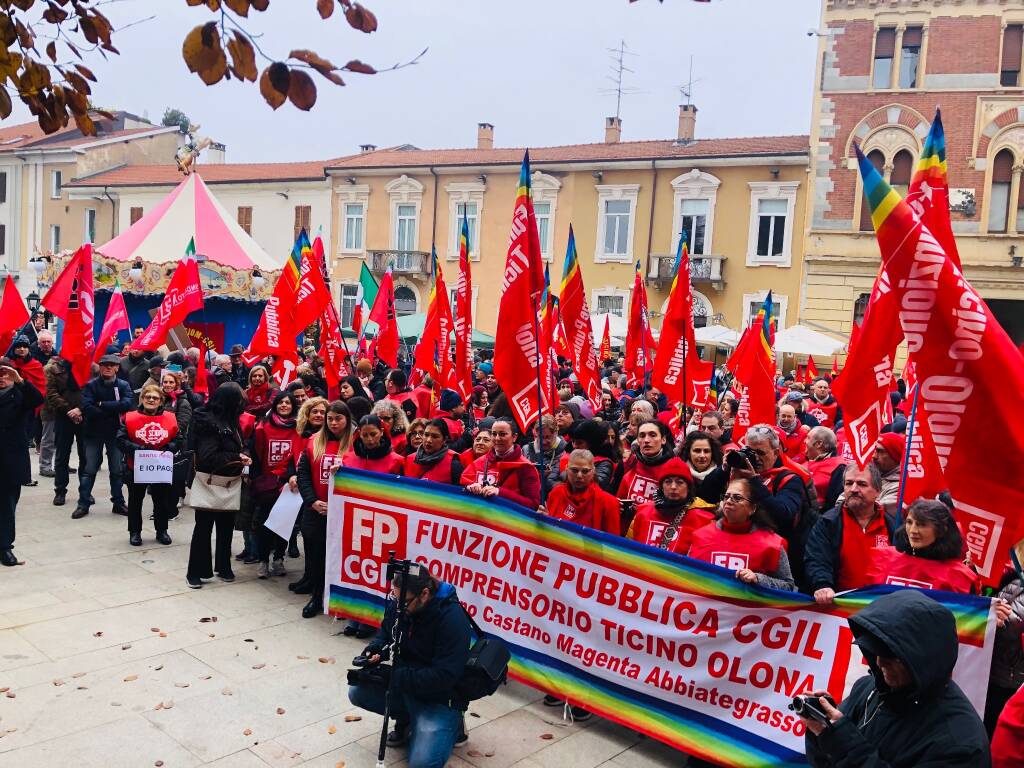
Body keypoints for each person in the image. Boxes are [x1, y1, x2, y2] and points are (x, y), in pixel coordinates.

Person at [802, 590, 990, 767]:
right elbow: (823, 762)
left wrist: (844, 745)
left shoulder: (960, 744)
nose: (879, 662)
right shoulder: (869, 689)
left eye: (891, 655)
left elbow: (845, 749)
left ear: (922, 659)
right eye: (875, 650)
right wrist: (821, 732)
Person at [348, 564, 471, 767]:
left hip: (439, 697)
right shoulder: (401, 602)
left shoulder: (452, 619)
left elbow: (446, 676)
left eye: (403, 602)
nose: (398, 607)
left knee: (422, 763)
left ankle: (454, 724)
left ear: (424, 594)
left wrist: (396, 678)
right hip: (407, 684)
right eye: (394, 599)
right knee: (357, 691)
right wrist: (374, 651)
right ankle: (407, 719)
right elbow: (386, 634)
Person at [730, 424, 815, 587]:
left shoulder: (789, 479)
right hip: (738, 548)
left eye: (761, 453)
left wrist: (755, 481)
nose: (755, 458)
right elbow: (706, 494)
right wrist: (724, 469)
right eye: (750, 452)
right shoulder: (738, 472)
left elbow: (783, 514)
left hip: (773, 556)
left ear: (776, 453)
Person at [186, 382, 250, 589]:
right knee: (203, 528)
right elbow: (207, 456)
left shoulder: (230, 419)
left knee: (225, 527)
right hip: (209, 482)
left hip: (229, 482)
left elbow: (242, 443)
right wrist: (237, 457)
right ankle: (195, 572)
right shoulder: (207, 422)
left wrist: (245, 453)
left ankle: (223, 566)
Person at [805, 464, 896, 604]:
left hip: (881, 607)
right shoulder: (828, 523)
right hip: (840, 607)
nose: (853, 489)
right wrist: (823, 585)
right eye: (849, 483)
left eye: (861, 484)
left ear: (878, 490)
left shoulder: (893, 527)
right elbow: (817, 558)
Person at [687, 477, 797, 591]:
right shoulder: (700, 536)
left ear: (752, 508)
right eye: (726, 496)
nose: (729, 501)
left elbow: (788, 586)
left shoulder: (773, 545)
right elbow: (684, 574)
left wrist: (758, 579)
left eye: (737, 498)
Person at [297, 400, 353, 618]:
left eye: (338, 418)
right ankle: (316, 597)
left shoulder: (354, 444)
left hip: (341, 514)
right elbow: (303, 475)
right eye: (330, 418)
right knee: (315, 557)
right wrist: (312, 501)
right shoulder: (313, 442)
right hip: (316, 511)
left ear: (347, 420)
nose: (333, 423)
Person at [866, 499, 980, 593]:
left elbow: (968, 616)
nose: (913, 530)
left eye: (922, 524)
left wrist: (992, 612)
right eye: (909, 522)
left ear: (942, 529)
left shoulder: (959, 576)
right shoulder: (884, 559)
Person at [116, 383, 181, 546]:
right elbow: (120, 439)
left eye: (155, 398)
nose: (151, 400)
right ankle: (135, 532)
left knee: (161, 501)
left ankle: (162, 530)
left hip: (160, 467)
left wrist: (168, 448)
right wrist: (139, 449)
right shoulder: (129, 417)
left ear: (161, 401)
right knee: (135, 501)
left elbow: (179, 439)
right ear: (142, 399)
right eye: (148, 397)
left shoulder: (170, 417)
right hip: (136, 466)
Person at [250, 391, 302, 579]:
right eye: (281, 403)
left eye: (288, 403)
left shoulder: (299, 428)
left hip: (288, 484)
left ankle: (279, 558)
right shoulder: (263, 426)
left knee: (284, 524)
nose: (284, 406)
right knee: (265, 523)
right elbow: (256, 454)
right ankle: (263, 560)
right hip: (268, 484)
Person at [76, 355, 133, 520]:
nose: (108, 368)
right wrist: (111, 410)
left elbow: (127, 404)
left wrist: (101, 404)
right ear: (99, 367)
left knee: (116, 470)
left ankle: (118, 502)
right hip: (93, 433)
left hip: (116, 433)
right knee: (89, 469)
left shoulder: (123, 385)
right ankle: (83, 503)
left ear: (117, 368)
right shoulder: (90, 385)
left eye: (111, 365)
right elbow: (87, 407)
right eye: (104, 365)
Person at [0, 359, 44, 566]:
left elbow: (37, 399)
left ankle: (5, 546)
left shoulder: (20, 394)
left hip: (11, 458)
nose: (2, 378)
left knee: (7, 505)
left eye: (6, 374)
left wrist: (19, 380)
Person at [626, 457, 713, 553]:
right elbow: (629, 549)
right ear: (661, 487)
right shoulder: (643, 512)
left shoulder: (703, 520)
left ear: (688, 487)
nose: (673, 487)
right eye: (668, 482)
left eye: (680, 482)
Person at [462, 417, 541, 509]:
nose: (497, 438)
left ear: (514, 437)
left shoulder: (526, 467)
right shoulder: (479, 462)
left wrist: (500, 492)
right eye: (494, 434)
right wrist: (470, 487)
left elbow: (533, 504)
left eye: (502, 434)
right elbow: (461, 489)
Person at [544, 449, 620, 535]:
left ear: (593, 471)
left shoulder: (609, 503)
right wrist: (542, 521)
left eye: (585, 471)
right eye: (574, 470)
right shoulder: (556, 493)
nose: (579, 475)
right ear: (566, 468)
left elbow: (613, 544)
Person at [44, 356, 85, 507]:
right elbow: (51, 394)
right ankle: (60, 491)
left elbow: (90, 391)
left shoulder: (89, 367)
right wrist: (69, 411)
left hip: (84, 417)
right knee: (62, 456)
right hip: (63, 418)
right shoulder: (53, 369)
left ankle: (85, 491)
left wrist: (80, 409)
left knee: (85, 457)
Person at [616, 420, 675, 504]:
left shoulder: (675, 468)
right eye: (642, 436)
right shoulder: (627, 464)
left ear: (663, 439)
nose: (646, 440)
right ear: (637, 440)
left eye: (652, 435)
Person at [403, 419, 464, 485]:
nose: (428, 440)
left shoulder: (454, 464)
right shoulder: (409, 459)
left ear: (444, 440)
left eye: (435, 436)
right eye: (426, 435)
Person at [803, 426, 847, 511]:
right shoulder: (807, 461)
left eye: (808, 438)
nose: (805, 441)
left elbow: (833, 505)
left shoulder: (839, 468)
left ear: (819, 444)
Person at [522, 414, 567, 495]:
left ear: (556, 433)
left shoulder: (565, 452)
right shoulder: (526, 450)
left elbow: (564, 485)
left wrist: (545, 478)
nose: (543, 442)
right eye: (540, 437)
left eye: (548, 437)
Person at [678, 430, 727, 505]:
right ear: (688, 453)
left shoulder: (723, 473)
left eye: (706, 451)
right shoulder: (678, 474)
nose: (702, 455)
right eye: (697, 451)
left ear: (712, 453)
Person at [872, 433, 903, 514]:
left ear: (895, 456)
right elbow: (840, 501)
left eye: (880, 451)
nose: (874, 456)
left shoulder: (901, 487)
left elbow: (874, 513)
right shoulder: (870, 474)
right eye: (874, 450)